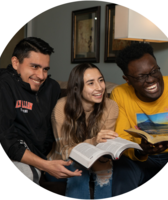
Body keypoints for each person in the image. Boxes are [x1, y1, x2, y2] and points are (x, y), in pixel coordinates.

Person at [0, 37, 82, 184]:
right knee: (27, 175)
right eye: (34, 67)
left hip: (40, 154)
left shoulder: (52, 88)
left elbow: (51, 132)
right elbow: (5, 137)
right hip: (11, 152)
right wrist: (45, 165)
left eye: (45, 69)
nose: (41, 76)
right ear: (15, 63)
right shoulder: (4, 83)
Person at [110, 42, 168, 195]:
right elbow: (122, 139)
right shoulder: (119, 94)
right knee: (123, 166)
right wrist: (140, 151)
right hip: (142, 158)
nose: (151, 80)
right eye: (141, 76)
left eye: (154, 71)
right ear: (127, 79)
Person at [47, 63, 119, 199]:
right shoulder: (61, 107)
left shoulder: (111, 106)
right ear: (77, 88)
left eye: (101, 80)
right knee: (78, 165)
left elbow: (104, 146)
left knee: (105, 165)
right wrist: (93, 141)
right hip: (62, 163)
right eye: (91, 83)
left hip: (96, 161)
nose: (99, 87)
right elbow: (65, 151)